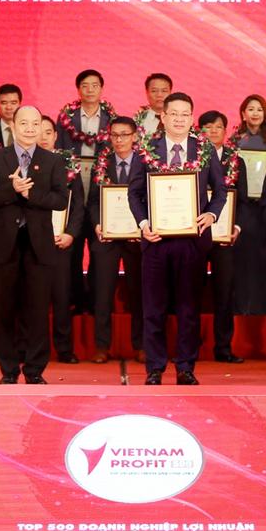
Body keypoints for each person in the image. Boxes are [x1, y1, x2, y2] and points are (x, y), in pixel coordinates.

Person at [128, 92, 227, 386]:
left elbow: (220, 191)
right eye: (174, 114)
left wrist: (211, 215)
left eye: (185, 115)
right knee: (154, 308)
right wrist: (143, 224)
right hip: (156, 240)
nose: (180, 120)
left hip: (192, 241)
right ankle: (155, 368)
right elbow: (134, 193)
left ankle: (185, 367)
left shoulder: (204, 149)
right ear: (164, 116)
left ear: (192, 118)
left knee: (188, 308)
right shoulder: (147, 149)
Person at [0, 105, 70, 384]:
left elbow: (60, 200)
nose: (30, 129)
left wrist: (31, 194)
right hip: (4, 245)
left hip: (38, 246)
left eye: (35, 124)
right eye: (24, 123)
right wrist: (11, 189)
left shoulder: (53, 160)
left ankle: (34, 371)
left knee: (38, 311)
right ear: (13, 126)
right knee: (6, 310)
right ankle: (8, 371)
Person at [57, 69, 116, 319]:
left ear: (101, 88)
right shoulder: (66, 118)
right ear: (78, 89)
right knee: (71, 248)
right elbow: (59, 150)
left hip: (100, 187)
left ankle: (95, 300)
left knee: (99, 249)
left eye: (94, 85)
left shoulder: (112, 119)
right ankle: (75, 299)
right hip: (73, 182)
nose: (90, 89)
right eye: (85, 85)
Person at [88, 116, 146, 363]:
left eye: (124, 134)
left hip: (137, 238)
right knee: (102, 292)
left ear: (135, 136)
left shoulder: (146, 163)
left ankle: (141, 345)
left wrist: (144, 225)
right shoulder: (102, 163)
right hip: (108, 237)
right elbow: (93, 201)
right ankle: (102, 346)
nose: (119, 140)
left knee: (139, 293)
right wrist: (97, 224)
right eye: (115, 135)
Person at [228, 94, 266, 316]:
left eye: (259, 109)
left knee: (263, 258)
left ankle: (263, 307)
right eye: (250, 109)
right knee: (243, 258)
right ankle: (242, 307)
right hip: (243, 206)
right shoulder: (235, 141)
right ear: (243, 114)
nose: (255, 113)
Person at [39, 115, 85, 364]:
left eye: (48, 132)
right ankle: (32, 349)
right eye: (39, 131)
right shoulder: (23, 163)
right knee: (34, 298)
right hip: (34, 242)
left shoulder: (69, 164)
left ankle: (64, 349)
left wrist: (70, 233)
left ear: (56, 136)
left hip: (61, 240)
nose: (43, 137)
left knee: (61, 297)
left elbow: (78, 204)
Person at [199, 110, 243, 364]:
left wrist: (236, 227)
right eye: (208, 127)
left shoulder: (236, 160)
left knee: (224, 293)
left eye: (218, 127)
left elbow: (243, 199)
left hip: (225, 237)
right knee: (191, 290)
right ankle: (190, 346)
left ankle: (223, 347)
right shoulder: (193, 156)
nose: (213, 131)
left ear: (226, 131)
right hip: (195, 234)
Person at [134, 73, 172, 139]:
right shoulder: (138, 119)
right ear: (147, 93)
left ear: (170, 93)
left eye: (164, 91)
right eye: (154, 91)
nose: (159, 95)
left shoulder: (179, 117)